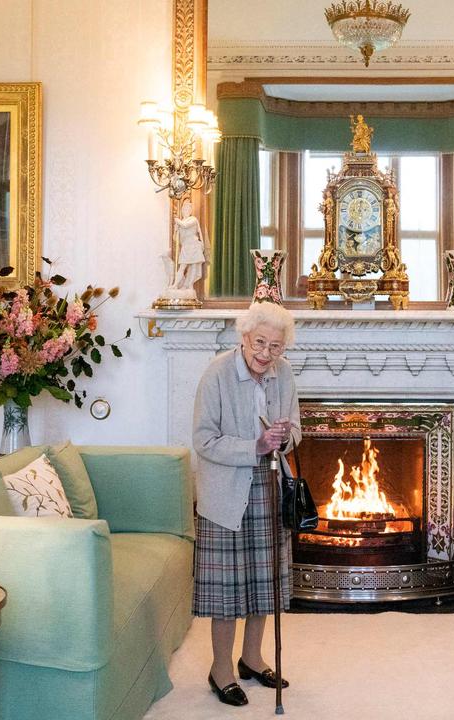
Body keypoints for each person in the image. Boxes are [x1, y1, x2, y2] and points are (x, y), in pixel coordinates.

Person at [192, 302, 300, 707]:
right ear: (244, 337)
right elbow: (203, 440)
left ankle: (251, 659)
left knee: (263, 581)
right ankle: (220, 669)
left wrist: (284, 437)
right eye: (260, 343)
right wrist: (254, 445)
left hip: (270, 485)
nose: (266, 354)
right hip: (225, 491)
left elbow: (296, 430)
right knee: (228, 589)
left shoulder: (283, 373)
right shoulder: (218, 373)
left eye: (275, 346)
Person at [174, 199, 206, 290]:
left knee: (193, 267)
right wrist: (176, 230)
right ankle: (175, 285)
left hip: (194, 246)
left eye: (187, 209)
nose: (185, 211)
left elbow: (185, 225)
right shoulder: (181, 222)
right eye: (184, 210)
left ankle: (189, 285)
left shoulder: (193, 220)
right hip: (185, 247)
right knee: (182, 267)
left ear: (190, 211)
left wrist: (177, 221)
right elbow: (176, 239)